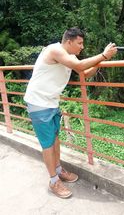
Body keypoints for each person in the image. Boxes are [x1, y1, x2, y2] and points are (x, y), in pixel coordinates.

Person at [24, 27, 117, 199]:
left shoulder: (70, 57)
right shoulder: (55, 50)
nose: (82, 47)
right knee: (48, 144)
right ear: (69, 41)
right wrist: (103, 55)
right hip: (38, 102)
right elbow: (80, 65)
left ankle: (59, 170)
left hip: (51, 102)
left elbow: (86, 72)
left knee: (55, 138)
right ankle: (53, 181)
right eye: (79, 43)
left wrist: (101, 60)